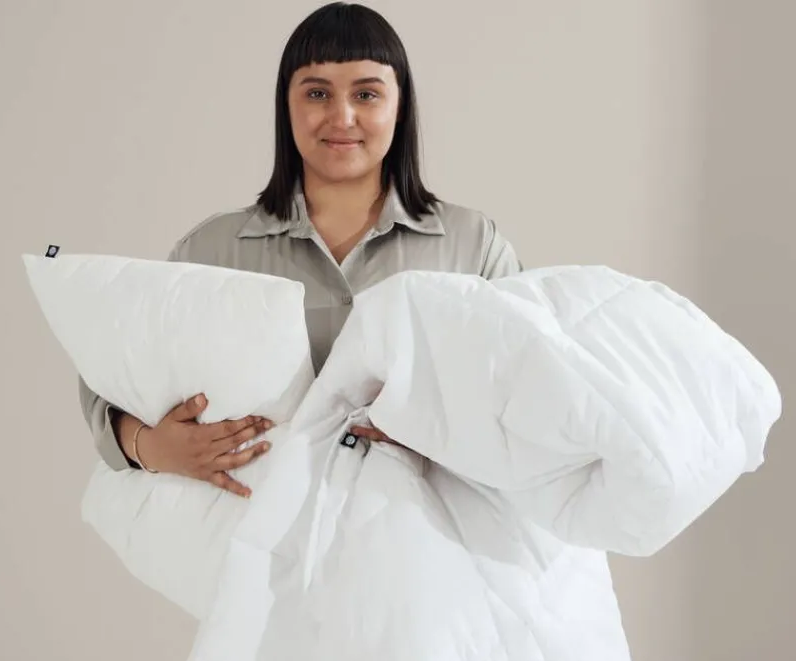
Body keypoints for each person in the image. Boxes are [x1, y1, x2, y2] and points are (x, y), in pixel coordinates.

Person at [78, 1, 522, 498]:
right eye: (317, 93)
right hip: (251, 537)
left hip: (427, 538)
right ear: (286, 106)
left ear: (400, 106)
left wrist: (444, 431)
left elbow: (528, 392)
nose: (342, 116)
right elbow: (109, 377)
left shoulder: (473, 246)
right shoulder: (211, 250)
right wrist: (152, 448)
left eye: (366, 94)